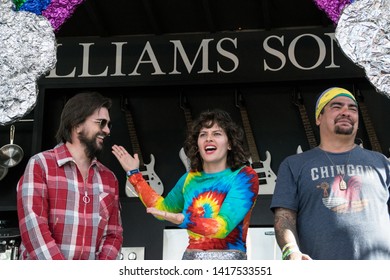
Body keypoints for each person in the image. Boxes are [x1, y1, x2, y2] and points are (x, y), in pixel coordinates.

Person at [112, 109, 259, 260]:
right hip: (190, 260)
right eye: (203, 134)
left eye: (217, 133)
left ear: (230, 144)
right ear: (197, 145)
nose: (209, 138)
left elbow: (222, 227)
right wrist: (134, 174)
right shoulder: (189, 179)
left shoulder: (244, 176)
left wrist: (183, 219)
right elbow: (162, 209)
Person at [271, 87, 390, 260]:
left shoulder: (382, 163)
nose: (346, 112)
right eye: (336, 106)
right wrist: (291, 251)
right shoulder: (294, 165)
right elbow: (284, 217)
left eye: (352, 108)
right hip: (319, 269)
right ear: (319, 118)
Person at [16, 91, 123, 260]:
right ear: (77, 124)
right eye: (101, 123)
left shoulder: (109, 179)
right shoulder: (40, 165)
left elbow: (114, 235)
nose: (107, 130)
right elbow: (34, 228)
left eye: (109, 124)